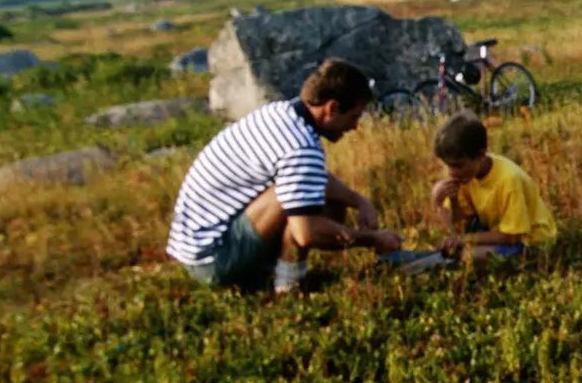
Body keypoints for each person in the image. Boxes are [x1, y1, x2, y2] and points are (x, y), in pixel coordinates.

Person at [166, 58, 402, 292]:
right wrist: (372, 240)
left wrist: (359, 202)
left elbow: (311, 177)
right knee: (297, 201)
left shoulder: (282, 113)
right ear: (331, 108)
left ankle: (270, 271)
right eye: (353, 117)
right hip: (214, 258)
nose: (354, 126)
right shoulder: (300, 147)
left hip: (198, 246)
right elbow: (306, 232)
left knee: (311, 192)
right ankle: (289, 286)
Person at [429, 112, 557, 260]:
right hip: (496, 229)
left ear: (480, 154)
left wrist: (463, 240)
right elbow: (459, 229)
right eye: (449, 165)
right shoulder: (466, 175)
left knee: (468, 256)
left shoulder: (509, 179)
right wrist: (444, 202)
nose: (452, 172)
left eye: (458, 165)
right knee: (455, 250)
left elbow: (512, 236)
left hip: (528, 238)